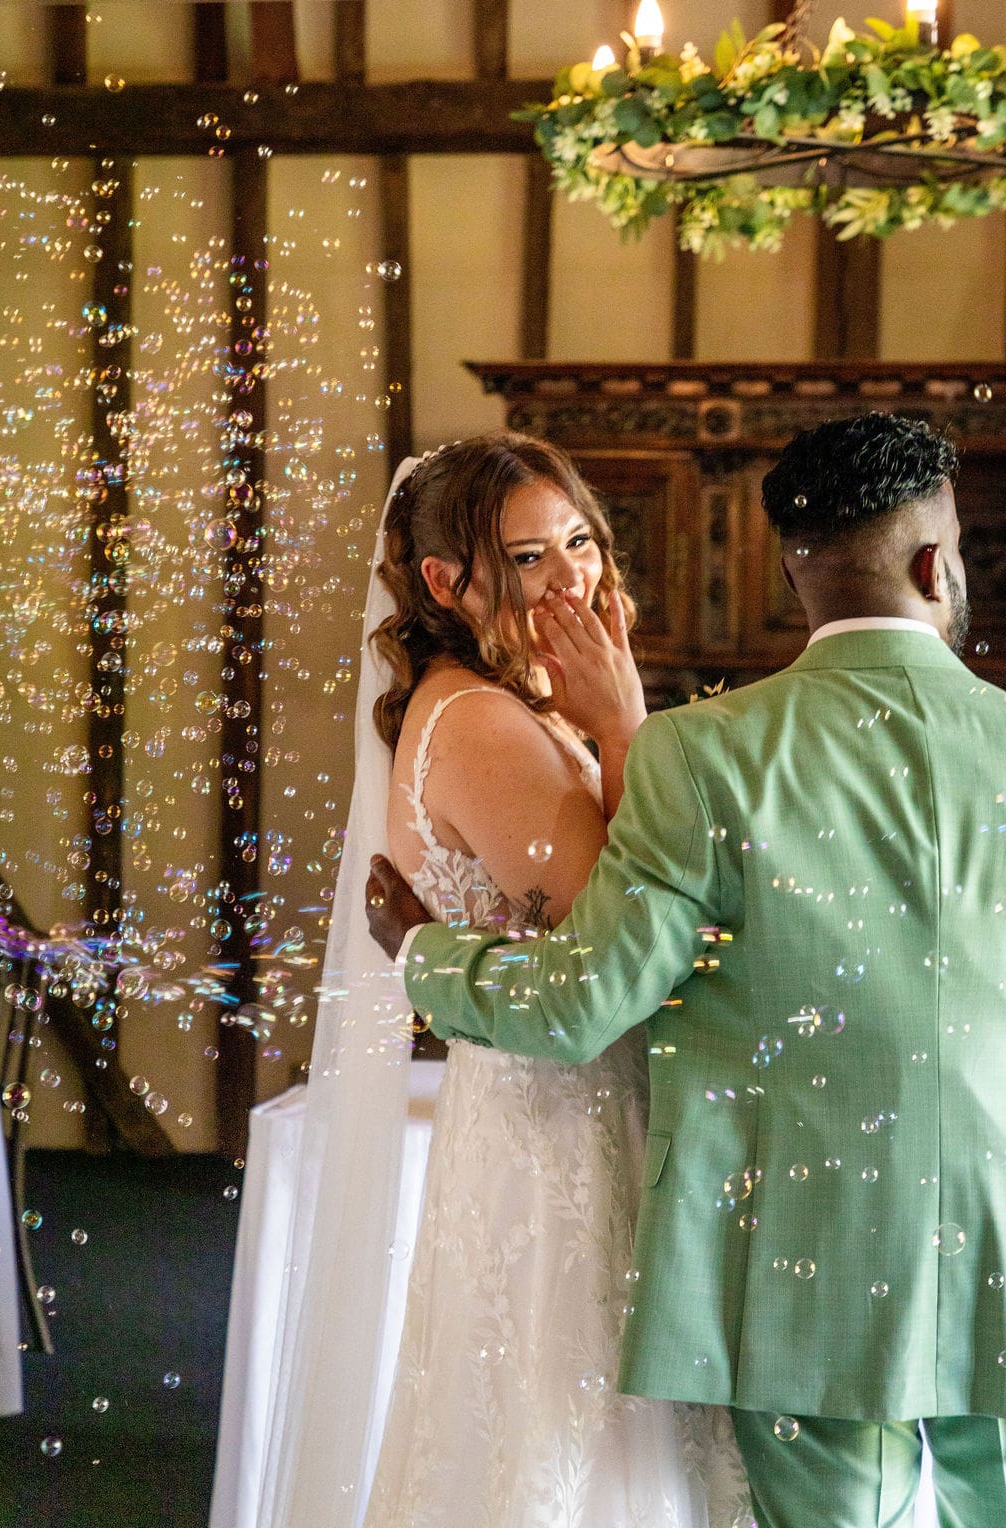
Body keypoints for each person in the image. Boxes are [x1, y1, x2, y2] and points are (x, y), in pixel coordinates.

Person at [367, 411, 1006, 1528]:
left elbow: (583, 999)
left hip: (804, 1237)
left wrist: (424, 956)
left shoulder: (701, 752)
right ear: (933, 563)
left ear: (791, 570)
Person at [358, 433, 748, 1528]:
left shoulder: (516, 702)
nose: (573, 576)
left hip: (566, 1100)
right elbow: (617, 937)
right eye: (529, 557)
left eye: (578, 540)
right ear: (446, 581)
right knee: (572, 1425)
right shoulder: (480, 720)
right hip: (560, 1115)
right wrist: (624, 725)